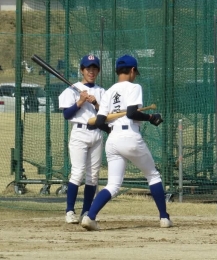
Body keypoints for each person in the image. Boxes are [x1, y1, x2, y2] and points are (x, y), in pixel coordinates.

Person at [80, 55, 172, 231]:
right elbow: (131, 113)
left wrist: (111, 131)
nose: (135, 75)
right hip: (130, 136)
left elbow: (100, 122)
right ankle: (164, 217)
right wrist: (151, 117)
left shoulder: (108, 92)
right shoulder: (134, 87)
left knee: (113, 185)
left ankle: (90, 216)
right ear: (132, 70)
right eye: (135, 72)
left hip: (113, 139)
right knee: (153, 175)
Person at [58, 54, 107, 224]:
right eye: (88, 68)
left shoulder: (102, 92)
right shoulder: (72, 90)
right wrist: (80, 101)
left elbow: (107, 116)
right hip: (79, 133)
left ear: (98, 71)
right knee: (77, 172)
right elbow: (66, 114)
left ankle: (86, 211)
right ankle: (70, 211)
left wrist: (96, 104)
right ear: (82, 70)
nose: (91, 72)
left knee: (93, 176)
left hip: (96, 133)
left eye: (94, 68)